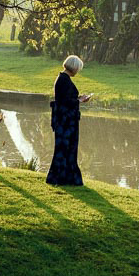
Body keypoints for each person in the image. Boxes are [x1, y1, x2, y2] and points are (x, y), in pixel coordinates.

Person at [46, 55, 92, 186]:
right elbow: (65, 102)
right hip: (66, 121)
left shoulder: (63, 79)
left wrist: (78, 98)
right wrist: (80, 100)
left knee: (66, 149)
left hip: (66, 120)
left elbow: (65, 98)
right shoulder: (63, 80)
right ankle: (63, 178)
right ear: (74, 67)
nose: (78, 71)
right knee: (65, 149)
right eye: (78, 68)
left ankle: (63, 178)